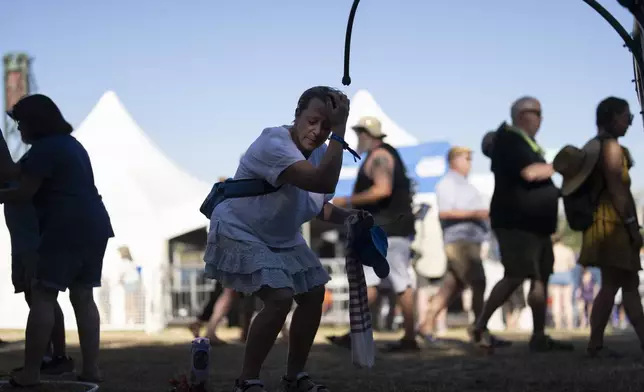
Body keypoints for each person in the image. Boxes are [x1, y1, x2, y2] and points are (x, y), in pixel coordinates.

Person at [204, 86, 361, 392]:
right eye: (313, 121)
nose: (318, 131)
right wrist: (340, 131)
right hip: (240, 227)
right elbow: (322, 180)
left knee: (314, 293)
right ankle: (247, 381)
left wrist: (352, 217)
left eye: (326, 126)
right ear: (297, 115)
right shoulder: (274, 142)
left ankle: (294, 378)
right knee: (279, 298)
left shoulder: (321, 153)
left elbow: (316, 203)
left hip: (279, 234)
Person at [0, 94, 114, 386]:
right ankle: (91, 369)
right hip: (96, 224)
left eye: (21, 123)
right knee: (83, 297)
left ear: (36, 123)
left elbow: (23, 191)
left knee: (42, 296)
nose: (18, 130)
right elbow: (13, 171)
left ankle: (30, 373)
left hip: (65, 226)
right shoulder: (70, 145)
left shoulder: (44, 148)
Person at [470, 96, 573, 352]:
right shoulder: (510, 139)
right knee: (516, 274)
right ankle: (480, 326)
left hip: (536, 224)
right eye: (537, 112)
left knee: (540, 278)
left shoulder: (527, 143)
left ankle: (538, 336)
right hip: (516, 222)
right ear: (521, 114)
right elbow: (529, 172)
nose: (541, 118)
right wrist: (558, 165)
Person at [554, 96, 644, 356]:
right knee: (614, 284)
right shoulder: (611, 148)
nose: (629, 123)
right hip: (612, 225)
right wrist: (631, 227)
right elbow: (618, 191)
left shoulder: (592, 146)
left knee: (623, 284)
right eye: (627, 117)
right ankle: (595, 344)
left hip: (603, 223)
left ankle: (602, 344)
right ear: (613, 117)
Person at [328, 115, 418, 352]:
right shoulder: (382, 155)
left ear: (368, 136)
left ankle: (409, 337)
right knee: (372, 284)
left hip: (387, 230)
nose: (358, 139)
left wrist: (345, 200)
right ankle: (356, 333)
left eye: (360, 134)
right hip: (387, 229)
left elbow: (382, 189)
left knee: (399, 283)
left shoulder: (379, 156)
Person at [417, 146, 506, 346]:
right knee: (479, 282)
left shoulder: (465, 184)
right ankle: (479, 329)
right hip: (460, 243)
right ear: (454, 160)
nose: (470, 163)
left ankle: (425, 326)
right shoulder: (447, 183)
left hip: (469, 241)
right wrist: (478, 214)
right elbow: (446, 213)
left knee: (450, 288)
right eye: (466, 158)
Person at [4, 158, 73, 375]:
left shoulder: (29, 175)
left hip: (37, 247)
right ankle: (45, 355)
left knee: (44, 299)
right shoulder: (9, 179)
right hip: (22, 248)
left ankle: (59, 356)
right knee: (32, 298)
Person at [549, 233, 576, 330]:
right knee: (567, 302)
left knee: (556, 302)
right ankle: (569, 324)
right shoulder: (568, 250)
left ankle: (558, 324)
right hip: (566, 275)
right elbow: (572, 265)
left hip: (554, 276)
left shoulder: (551, 250)